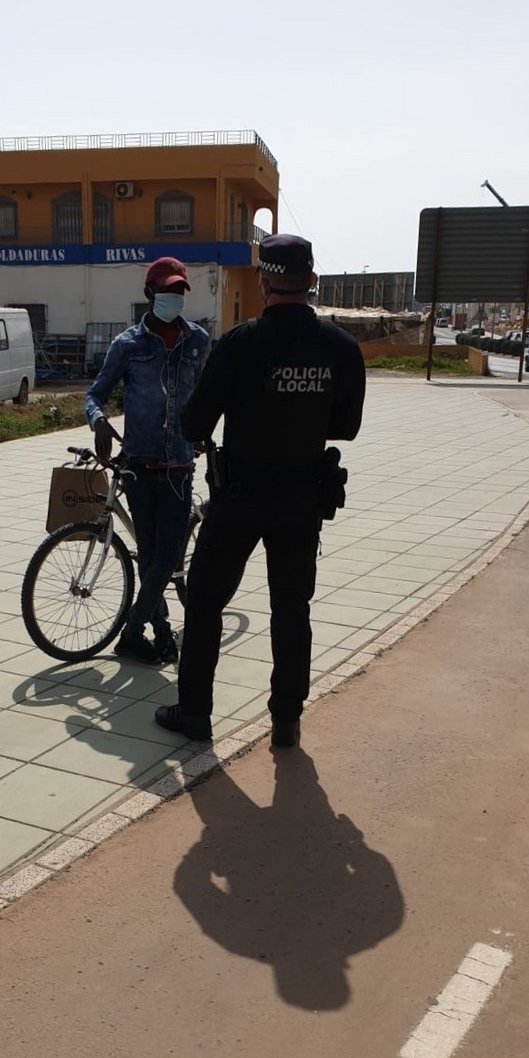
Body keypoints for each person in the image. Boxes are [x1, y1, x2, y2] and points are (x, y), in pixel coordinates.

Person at [154, 234, 366, 747]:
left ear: (264, 281)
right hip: (301, 499)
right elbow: (346, 427)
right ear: (312, 281)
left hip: (239, 500)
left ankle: (196, 715)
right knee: (292, 611)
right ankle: (286, 723)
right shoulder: (339, 348)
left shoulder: (239, 344)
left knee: (205, 604)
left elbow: (194, 422)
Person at [85, 257, 209, 664]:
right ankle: (159, 632)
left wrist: (205, 432)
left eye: (179, 292)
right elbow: (94, 395)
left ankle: (132, 632)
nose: (173, 298)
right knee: (151, 558)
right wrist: (99, 421)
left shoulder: (197, 341)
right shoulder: (127, 346)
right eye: (166, 291)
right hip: (138, 466)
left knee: (165, 555)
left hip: (179, 467)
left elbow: (207, 395)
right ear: (149, 294)